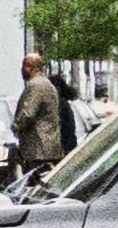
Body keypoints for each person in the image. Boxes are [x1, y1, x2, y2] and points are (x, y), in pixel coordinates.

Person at [11, 51, 75, 183]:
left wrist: (16, 127)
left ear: (31, 67)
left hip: (38, 149)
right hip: (48, 146)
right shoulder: (46, 84)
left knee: (35, 184)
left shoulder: (36, 85)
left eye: (24, 66)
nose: (22, 70)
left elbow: (27, 114)